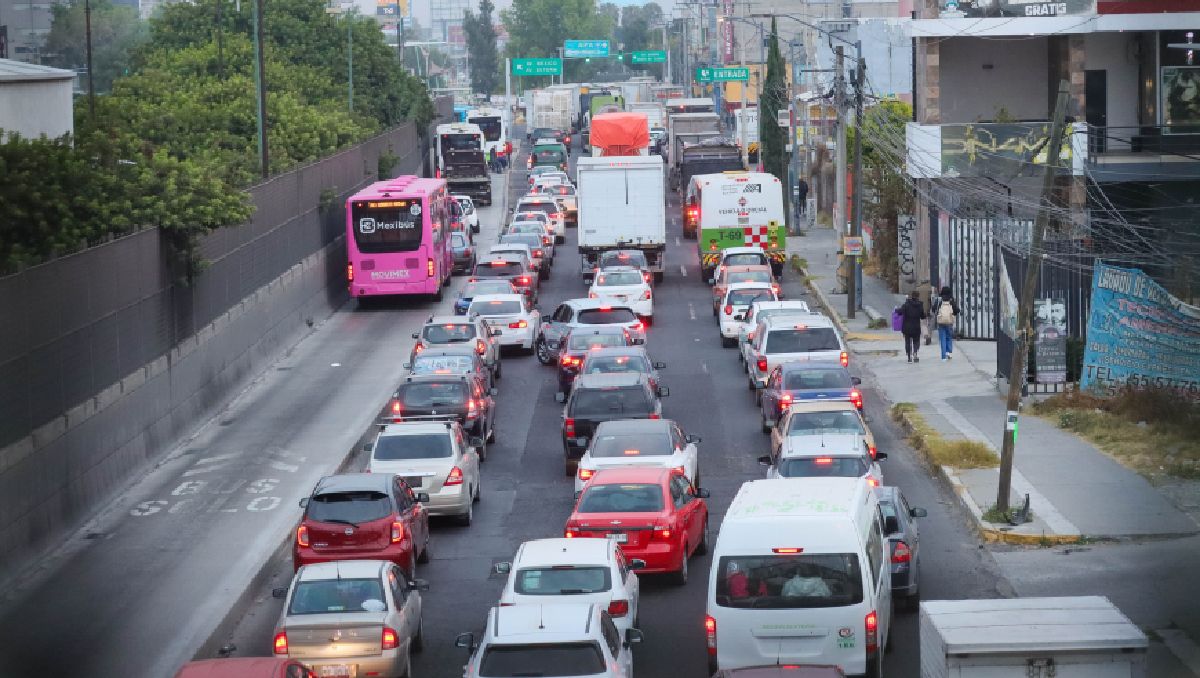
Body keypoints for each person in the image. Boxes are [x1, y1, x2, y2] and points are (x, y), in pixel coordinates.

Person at [932, 286, 961, 361]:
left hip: (941, 321)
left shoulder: (939, 300)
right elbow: (957, 310)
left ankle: (943, 356)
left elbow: (933, 309)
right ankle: (949, 352)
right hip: (949, 322)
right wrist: (953, 313)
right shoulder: (951, 300)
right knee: (949, 337)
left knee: (942, 338)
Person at [898, 290, 927, 363]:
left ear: (911, 296)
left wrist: (896, 310)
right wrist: (925, 315)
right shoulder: (920, 305)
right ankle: (915, 353)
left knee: (907, 342)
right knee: (916, 341)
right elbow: (922, 316)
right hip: (916, 327)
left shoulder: (906, 304)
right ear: (918, 296)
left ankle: (909, 357)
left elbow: (900, 312)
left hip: (907, 327)